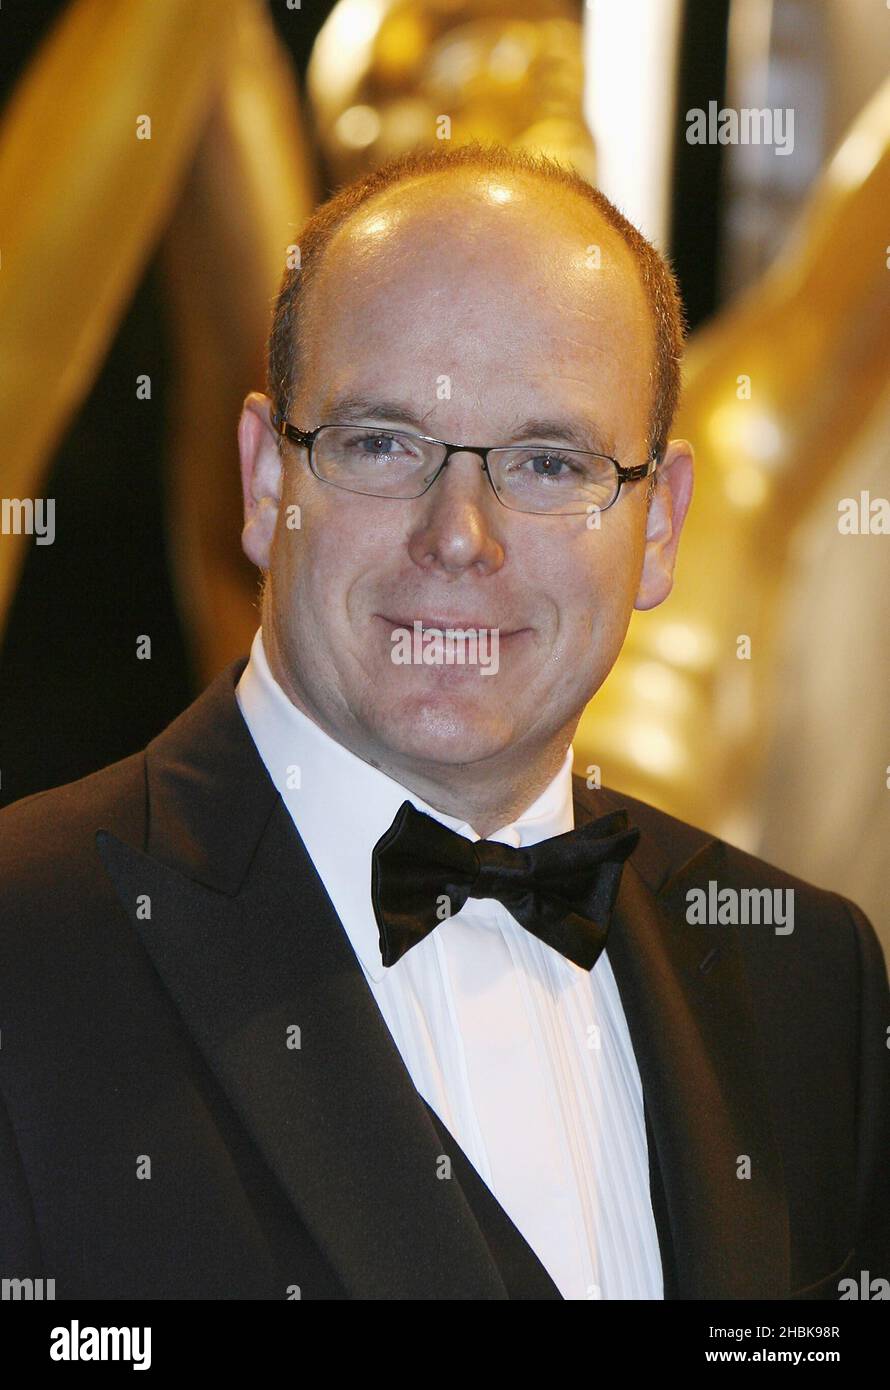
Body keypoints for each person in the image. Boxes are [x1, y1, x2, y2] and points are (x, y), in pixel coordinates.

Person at [1, 143, 887, 1301]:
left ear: (658, 525)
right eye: (383, 444)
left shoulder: (805, 977)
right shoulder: (27, 947)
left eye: (549, 461)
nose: (460, 535)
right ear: (268, 483)